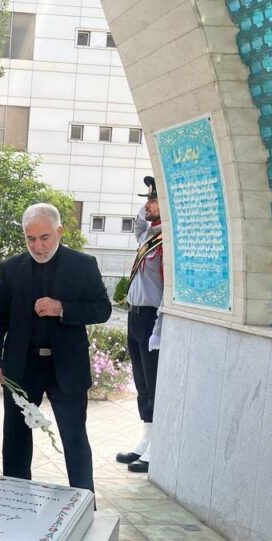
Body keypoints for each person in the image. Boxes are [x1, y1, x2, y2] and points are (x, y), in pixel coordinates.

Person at [0, 203, 111, 494]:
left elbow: (102, 309)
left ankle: (84, 502)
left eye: (44, 238)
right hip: (22, 367)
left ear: (59, 232)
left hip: (67, 367)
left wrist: (62, 308)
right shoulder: (10, 268)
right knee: (15, 438)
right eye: (30, 239)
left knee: (74, 438)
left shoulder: (83, 265)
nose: (38, 246)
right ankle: (15, 500)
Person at [115, 176, 163, 473]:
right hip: (135, 315)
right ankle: (146, 438)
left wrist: (159, 327)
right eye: (147, 200)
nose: (148, 205)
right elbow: (138, 227)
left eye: (153, 200)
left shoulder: (166, 241)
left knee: (153, 382)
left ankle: (157, 445)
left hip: (151, 318)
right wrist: (146, 210)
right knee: (141, 382)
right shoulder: (149, 236)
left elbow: (168, 288)